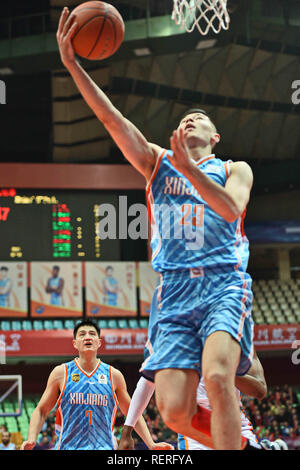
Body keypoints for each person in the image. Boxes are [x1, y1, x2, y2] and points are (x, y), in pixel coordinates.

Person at [57, 8, 254, 449]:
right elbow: (112, 120)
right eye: (185, 118)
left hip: (223, 283)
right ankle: (240, 444)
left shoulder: (234, 168)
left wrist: (193, 172)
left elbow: (228, 210)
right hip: (173, 293)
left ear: (215, 136)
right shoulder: (157, 163)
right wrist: (73, 64)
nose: (191, 120)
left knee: (219, 376)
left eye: (200, 118)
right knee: (173, 411)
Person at [21, 319, 173, 450]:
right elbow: (41, 410)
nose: (87, 337)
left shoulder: (114, 375)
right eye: (82, 334)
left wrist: (151, 444)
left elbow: (133, 412)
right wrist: (32, 438)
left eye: (92, 334)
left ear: (99, 342)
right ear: (75, 343)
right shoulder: (61, 372)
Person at [119, 352, 288, 450]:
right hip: (194, 427)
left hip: (235, 423)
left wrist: (221, 371)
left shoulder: (237, 337)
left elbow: (259, 390)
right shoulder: (175, 336)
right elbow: (147, 380)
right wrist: (127, 431)